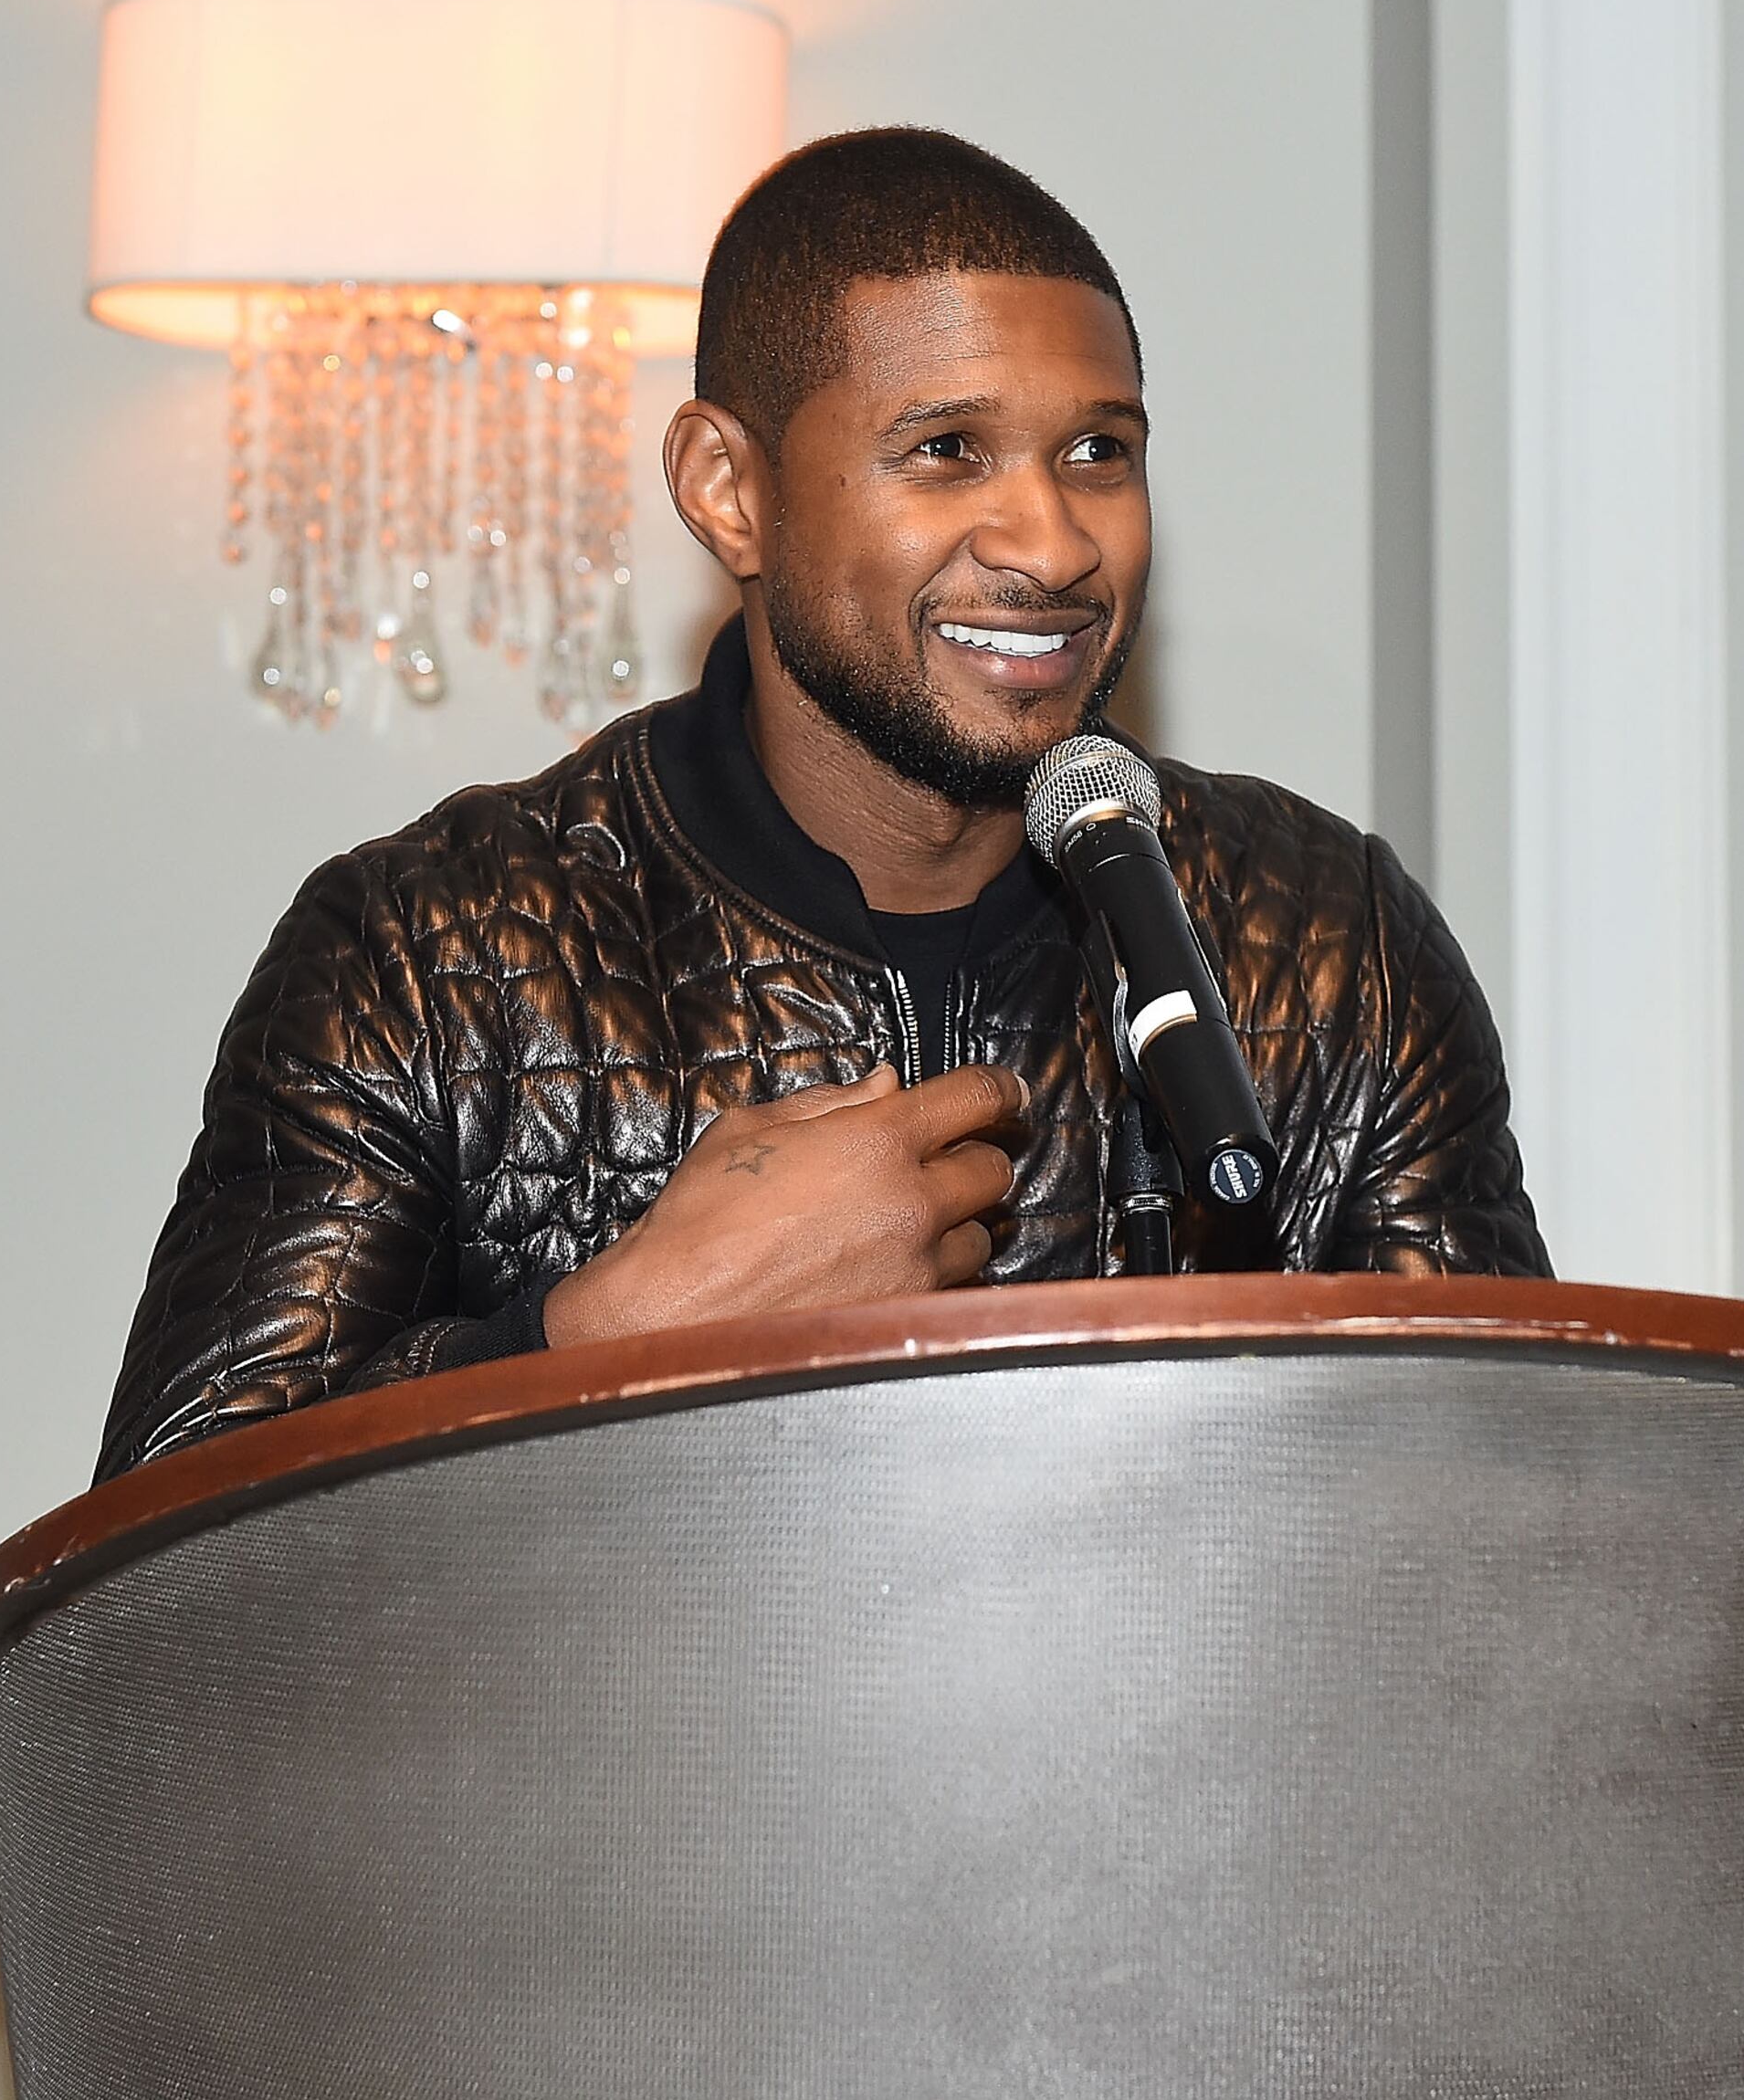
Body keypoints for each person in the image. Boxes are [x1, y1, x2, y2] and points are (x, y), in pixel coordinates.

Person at [96, 128, 1543, 1480]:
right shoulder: (428, 950)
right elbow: (151, 1588)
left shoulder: (1324, 939)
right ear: (730, 491)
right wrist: (603, 1343)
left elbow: (1514, 1517)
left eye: (1099, 451)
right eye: (946, 451)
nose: (1051, 542)